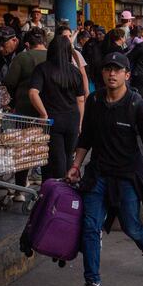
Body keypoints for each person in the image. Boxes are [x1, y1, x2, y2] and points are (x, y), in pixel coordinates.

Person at [67, 52, 143, 286]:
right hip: (98, 175)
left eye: (117, 70)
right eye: (108, 69)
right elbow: (86, 137)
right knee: (89, 226)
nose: (112, 74)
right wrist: (76, 165)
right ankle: (92, 282)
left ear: (127, 75)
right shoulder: (94, 101)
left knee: (131, 227)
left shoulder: (137, 105)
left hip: (128, 176)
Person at [28, 35, 86, 181]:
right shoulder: (75, 71)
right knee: (68, 156)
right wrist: (80, 123)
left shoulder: (42, 69)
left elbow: (33, 92)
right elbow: (80, 99)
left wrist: (43, 114)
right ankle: (68, 190)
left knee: (56, 157)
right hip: (72, 118)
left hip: (53, 120)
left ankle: (58, 191)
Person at [3, 28, 47, 196]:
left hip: (26, 110)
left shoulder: (23, 57)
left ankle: (20, 190)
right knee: (45, 148)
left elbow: (10, 81)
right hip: (48, 111)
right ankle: (47, 189)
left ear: (27, 44)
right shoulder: (52, 56)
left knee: (24, 149)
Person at [56, 25, 90, 95]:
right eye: (65, 36)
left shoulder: (76, 54)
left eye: (70, 36)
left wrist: (86, 92)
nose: (69, 39)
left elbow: (83, 75)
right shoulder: (54, 53)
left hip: (76, 92)